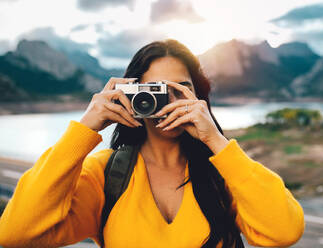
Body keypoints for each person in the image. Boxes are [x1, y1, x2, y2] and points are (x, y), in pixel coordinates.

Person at [0, 39, 305, 248]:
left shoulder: (225, 172)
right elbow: (14, 233)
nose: (166, 102)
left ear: (198, 96)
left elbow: (284, 231)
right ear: (133, 95)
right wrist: (84, 129)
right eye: (153, 91)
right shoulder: (105, 175)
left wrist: (216, 141)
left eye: (180, 89)